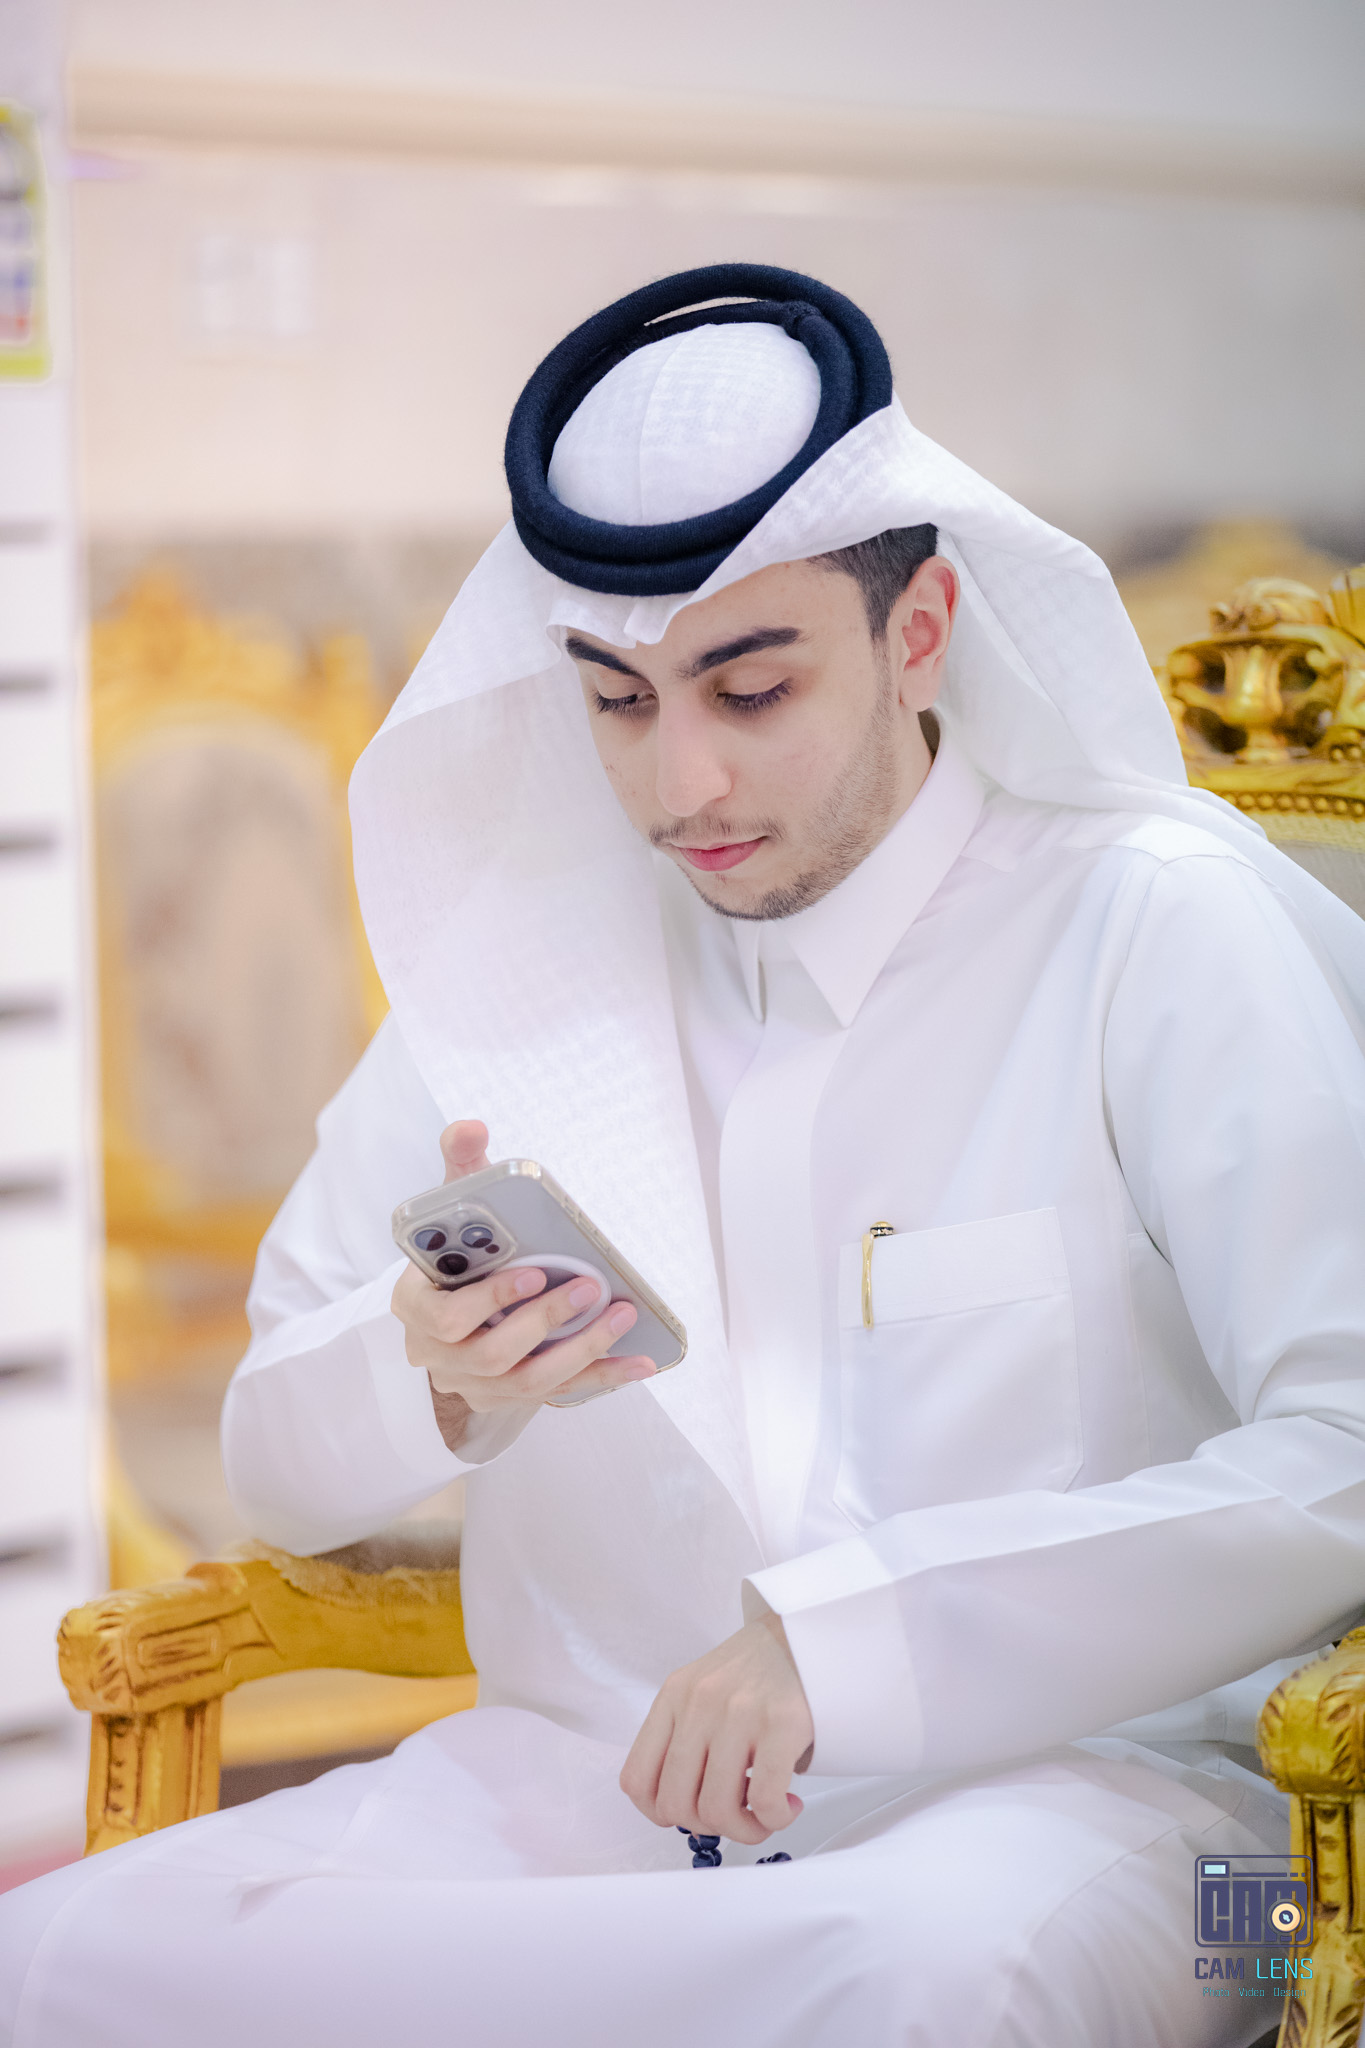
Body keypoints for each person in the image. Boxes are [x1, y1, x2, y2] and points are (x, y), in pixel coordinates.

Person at [5, 263, 1365, 2048]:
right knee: (64, 1963)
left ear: (921, 629)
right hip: (596, 1800)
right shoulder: (524, 976)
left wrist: (847, 1642)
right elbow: (273, 1469)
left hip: (1163, 1832)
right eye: (619, 702)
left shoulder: (1152, 927)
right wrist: (432, 1379)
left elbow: (1343, 1453)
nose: (680, 788)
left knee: (915, 1987)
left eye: (750, 688)